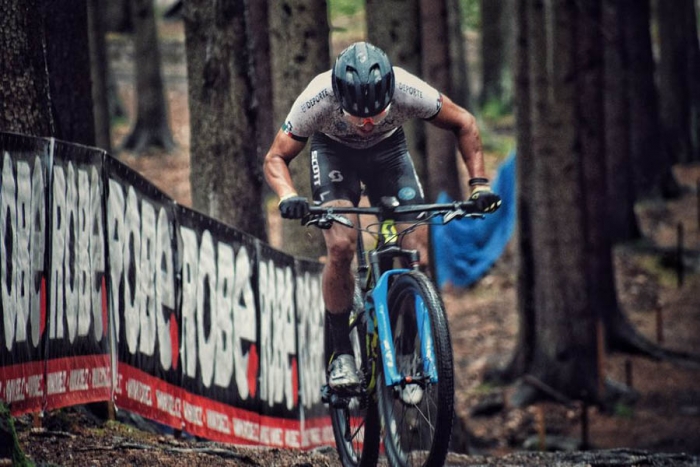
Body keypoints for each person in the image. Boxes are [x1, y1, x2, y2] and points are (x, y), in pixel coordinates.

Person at [263, 42, 501, 391]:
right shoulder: (317, 98)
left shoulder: (408, 89)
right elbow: (275, 157)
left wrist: (479, 186)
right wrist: (288, 195)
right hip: (334, 157)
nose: (368, 123)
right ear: (339, 99)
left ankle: (406, 348)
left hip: (389, 156)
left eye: (377, 112)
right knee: (342, 245)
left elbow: (464, 122)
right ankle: (341, 354)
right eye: (357, 115)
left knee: (414, 244)